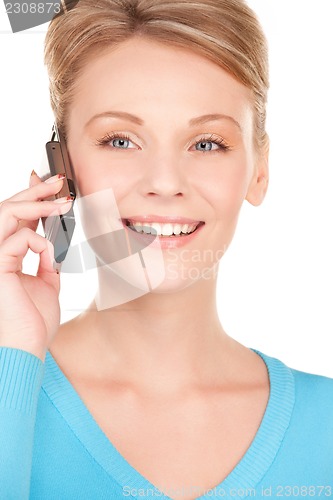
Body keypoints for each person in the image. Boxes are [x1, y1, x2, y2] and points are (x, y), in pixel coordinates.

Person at [0, 1, 332, 499]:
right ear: (59, 171)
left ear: (259, 171)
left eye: (206, 143)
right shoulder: (11, 383)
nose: (164, 183)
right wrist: (13, 355)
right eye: (119, 140)